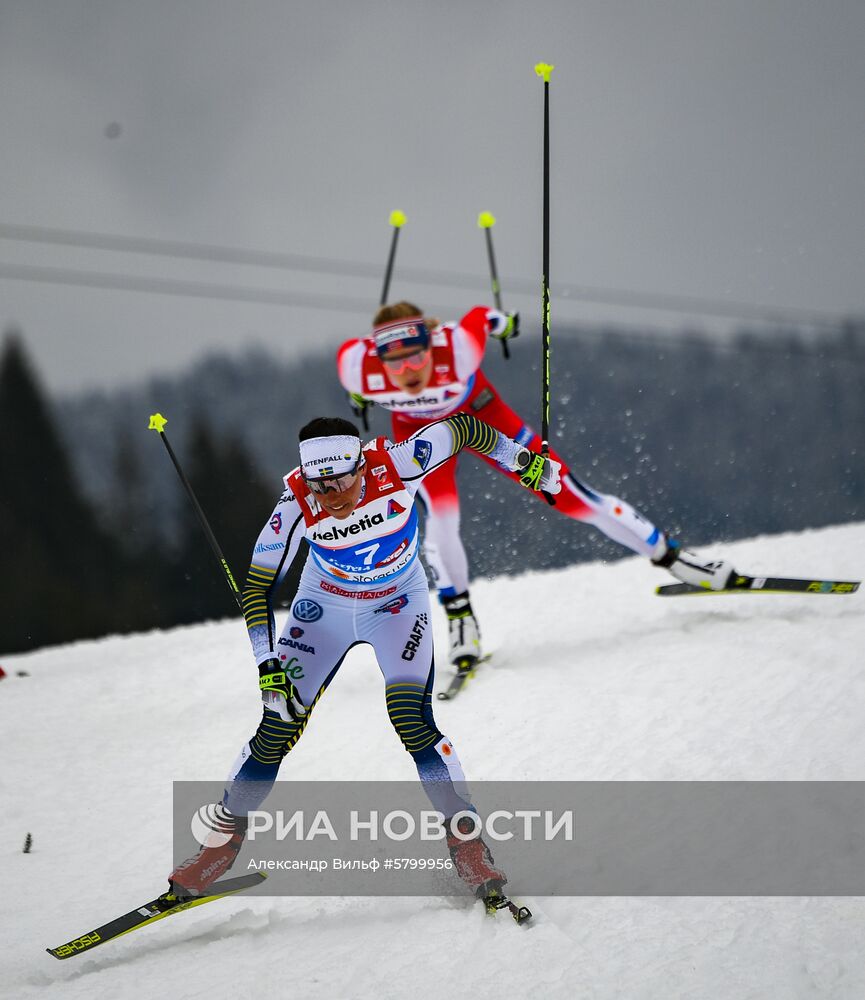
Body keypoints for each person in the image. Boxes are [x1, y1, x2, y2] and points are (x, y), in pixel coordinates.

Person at [166, 412, 561, 904]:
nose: (331, 496)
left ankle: (467, 842)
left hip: (397, 604)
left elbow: (463, 428)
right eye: (319, 485)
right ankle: (218, 847)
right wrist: (266, 665)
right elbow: (257, 586)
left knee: (411, 719)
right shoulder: (294, 502)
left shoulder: (398, 463)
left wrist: (522, 462)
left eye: (341, 480)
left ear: (361, 464)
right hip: (323, 609)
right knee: (276, 727)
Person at [337, 303, 736, 667]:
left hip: (483, 417)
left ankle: (675, 558)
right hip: (422, 434)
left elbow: (483, 316)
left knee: (568, 494)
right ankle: (462, 622)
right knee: (440, 522)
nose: (409, 372)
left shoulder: (457, 348)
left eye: (417, 357)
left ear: (430, 344)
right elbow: (354, 360)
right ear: (377, 357)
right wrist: (359, 393)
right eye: (395, 363)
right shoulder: (358, 368)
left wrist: (507, 323)